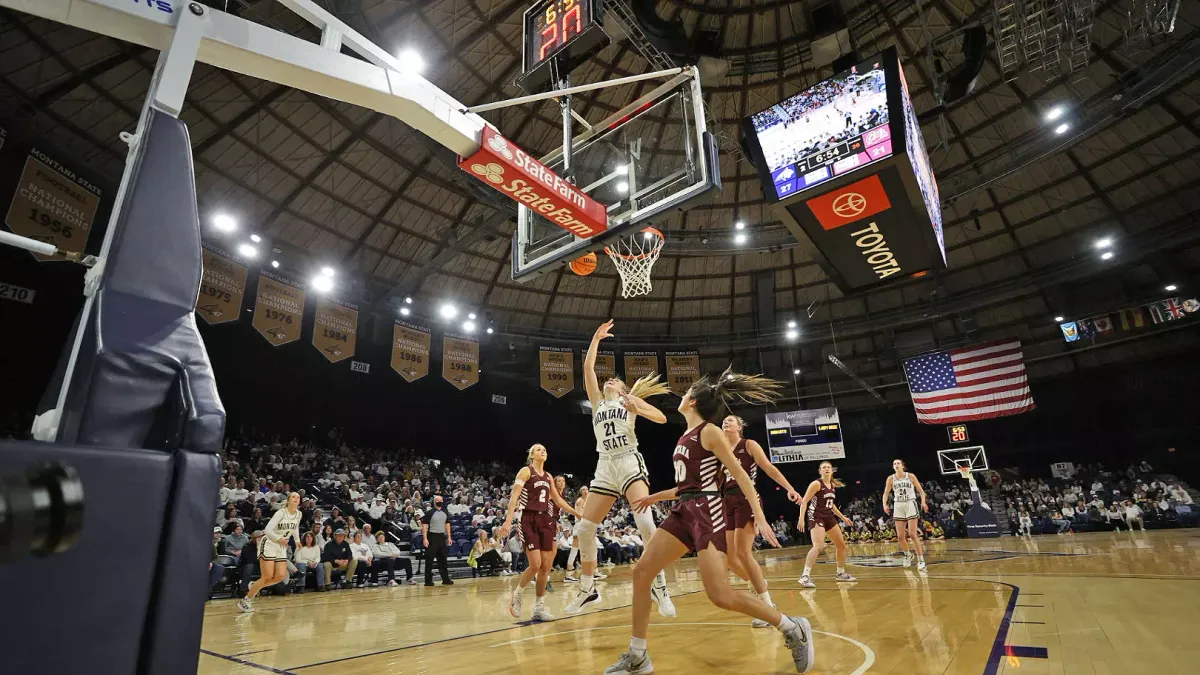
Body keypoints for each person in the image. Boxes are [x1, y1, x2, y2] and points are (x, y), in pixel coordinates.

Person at [604, 369, 814, 675]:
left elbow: (740, 476)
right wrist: (655, 497)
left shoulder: (710, 431)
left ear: (692, 402)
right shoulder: (686, 435)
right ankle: (638, 655)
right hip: (684, 510)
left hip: (708, 511)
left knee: (720, 595)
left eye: (686, 392)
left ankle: (791, 626)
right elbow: (687, 486)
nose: (682, 395)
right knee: (642, 571)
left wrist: (759, 515)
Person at [566, 320, 676, 617]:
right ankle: (588, 588)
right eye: (609, 380)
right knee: (584, 528)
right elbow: (588, 368)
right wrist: (595, 339)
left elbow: (662, 419)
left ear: (623, 389)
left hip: (628, 460)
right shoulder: (598, 403)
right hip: (605, 464)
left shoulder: (629, 401)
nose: (609, 381)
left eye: (615, 380)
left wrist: (636, 407)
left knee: (646, 524)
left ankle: (660, 587)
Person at [719, 414, 802, 628]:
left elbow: (768, 467)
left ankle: (767, 606)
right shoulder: (719, 450)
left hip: (747, 498)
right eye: (724, 420)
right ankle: (756, 583)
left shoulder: (748, 445)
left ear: (740, 427)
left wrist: (789, 488)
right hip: (727, 500)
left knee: (743, 553)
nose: (726, 422)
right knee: (729, 559)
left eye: (730, 420)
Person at [499, 444, 582, 620]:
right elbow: (514, 498)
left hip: (545, 519)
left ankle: (538, 608)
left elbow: (558, 500)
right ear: (532, 455)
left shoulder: (548, 476)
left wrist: (577, 514)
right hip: (528, 518)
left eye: (544, 449)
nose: (542, 451)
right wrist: (507, 521)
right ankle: (517, 594)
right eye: (538, 449)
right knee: (535, 564)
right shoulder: (526, 471)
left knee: (545, 567)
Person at [796, 462, 856, 588]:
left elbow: (831, 504)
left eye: (828, 467)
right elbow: (804, 501)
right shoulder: (816, 484)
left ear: (832, 470)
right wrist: (801, 518)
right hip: (816, 516)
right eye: (824, 467)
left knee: (841, 545)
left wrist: (843, 518)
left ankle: (840, 573)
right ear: (820, 471)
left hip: (828, 516)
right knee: (818, 546)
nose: (827, 469)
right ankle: (804, 576)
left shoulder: (832, 485)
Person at [239, 492, 302, 612]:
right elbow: (267, 530)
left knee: (280, 576)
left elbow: (295, 527)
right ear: (288, 500)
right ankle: (245, 601)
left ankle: (255, 585)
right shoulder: (281, 513)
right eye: (293, 496)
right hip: (269, 543)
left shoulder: (299, 514)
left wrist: (297, 540)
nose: (296, 498)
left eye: (298, 497)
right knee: (267, 576)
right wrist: (278, 539)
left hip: (281, 546)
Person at [881, 459, 929, 571]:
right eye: (894, 464)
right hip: (898, 505)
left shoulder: (910, 476)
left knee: (912, 534)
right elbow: (886, 493)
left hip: (910, 503)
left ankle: (921, 560)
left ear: (902, 466)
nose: (896, 465)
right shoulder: (890, 478)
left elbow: (921, 491)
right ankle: (908, 554)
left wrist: (923, 502)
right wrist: (884, 505)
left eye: (898, 463)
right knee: (900, 537)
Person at [421, 495, 454, 586]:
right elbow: (424, 525)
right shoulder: (430, 512)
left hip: (442, 536)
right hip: (432, 536)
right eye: (438, 500)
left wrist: (449, 537)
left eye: (441, 500)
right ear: (434, 502)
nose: (440, 502)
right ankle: (428, 581)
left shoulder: (445, 511)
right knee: (429, 559)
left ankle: (446, 579)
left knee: (443, 559)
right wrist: (425, 538)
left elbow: (447, 524)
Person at [565, 486, 589, 581]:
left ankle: (591, 571)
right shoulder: (580, 501)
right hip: (579, 525)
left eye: (586, 489)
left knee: (586, 549)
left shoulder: (587, 501)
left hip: (584, 525)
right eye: (583, 489)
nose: (585, 491)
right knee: (575, 549)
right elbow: (579, 515)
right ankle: (568, 574)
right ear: (580, 492)